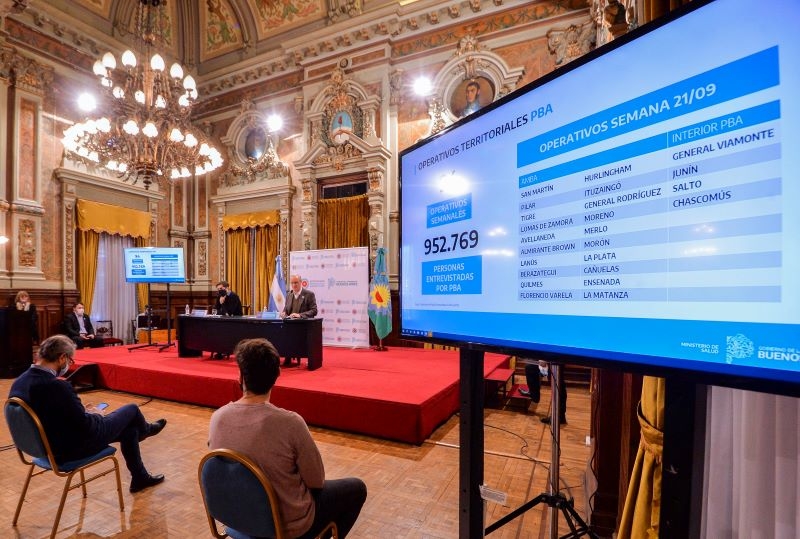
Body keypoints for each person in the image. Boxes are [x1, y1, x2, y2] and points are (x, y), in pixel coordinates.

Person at [208, 338, 367, 538]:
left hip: (236, 519)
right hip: (283, 527)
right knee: (357, 488)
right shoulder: (290, 423)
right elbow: (316, 481)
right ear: (277, 375)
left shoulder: (218, 418)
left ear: (240, 376)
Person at [9, 335, 167, 492]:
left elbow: (52, 413)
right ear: (62, 358)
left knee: (130, 430)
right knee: (131, 410)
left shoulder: (19, 382)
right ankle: (146, 430)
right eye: (70, 360)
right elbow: (85, 427)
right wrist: (97, 415)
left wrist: (82, 411)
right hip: (70, 449)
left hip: (44, 447)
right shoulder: (57, 386)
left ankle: (140, 477)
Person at [280, 274, 318, 367]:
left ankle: (305, 357)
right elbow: (286, 310)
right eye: (292, 283)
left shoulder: (309, 294)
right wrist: (283, 313)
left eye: (296, 283)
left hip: (303, 326)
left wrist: (300, 315)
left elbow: (314, 310)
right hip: (290, 326)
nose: (294, 285)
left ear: (301, 282)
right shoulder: (289, 295)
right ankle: (287, 356)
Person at [520, 360, 567, 425]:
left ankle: (560, 416)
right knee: (530, 367)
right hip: (548, 359)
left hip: (556, 360)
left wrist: (545, 360)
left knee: (558, 384)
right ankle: (534, 395)